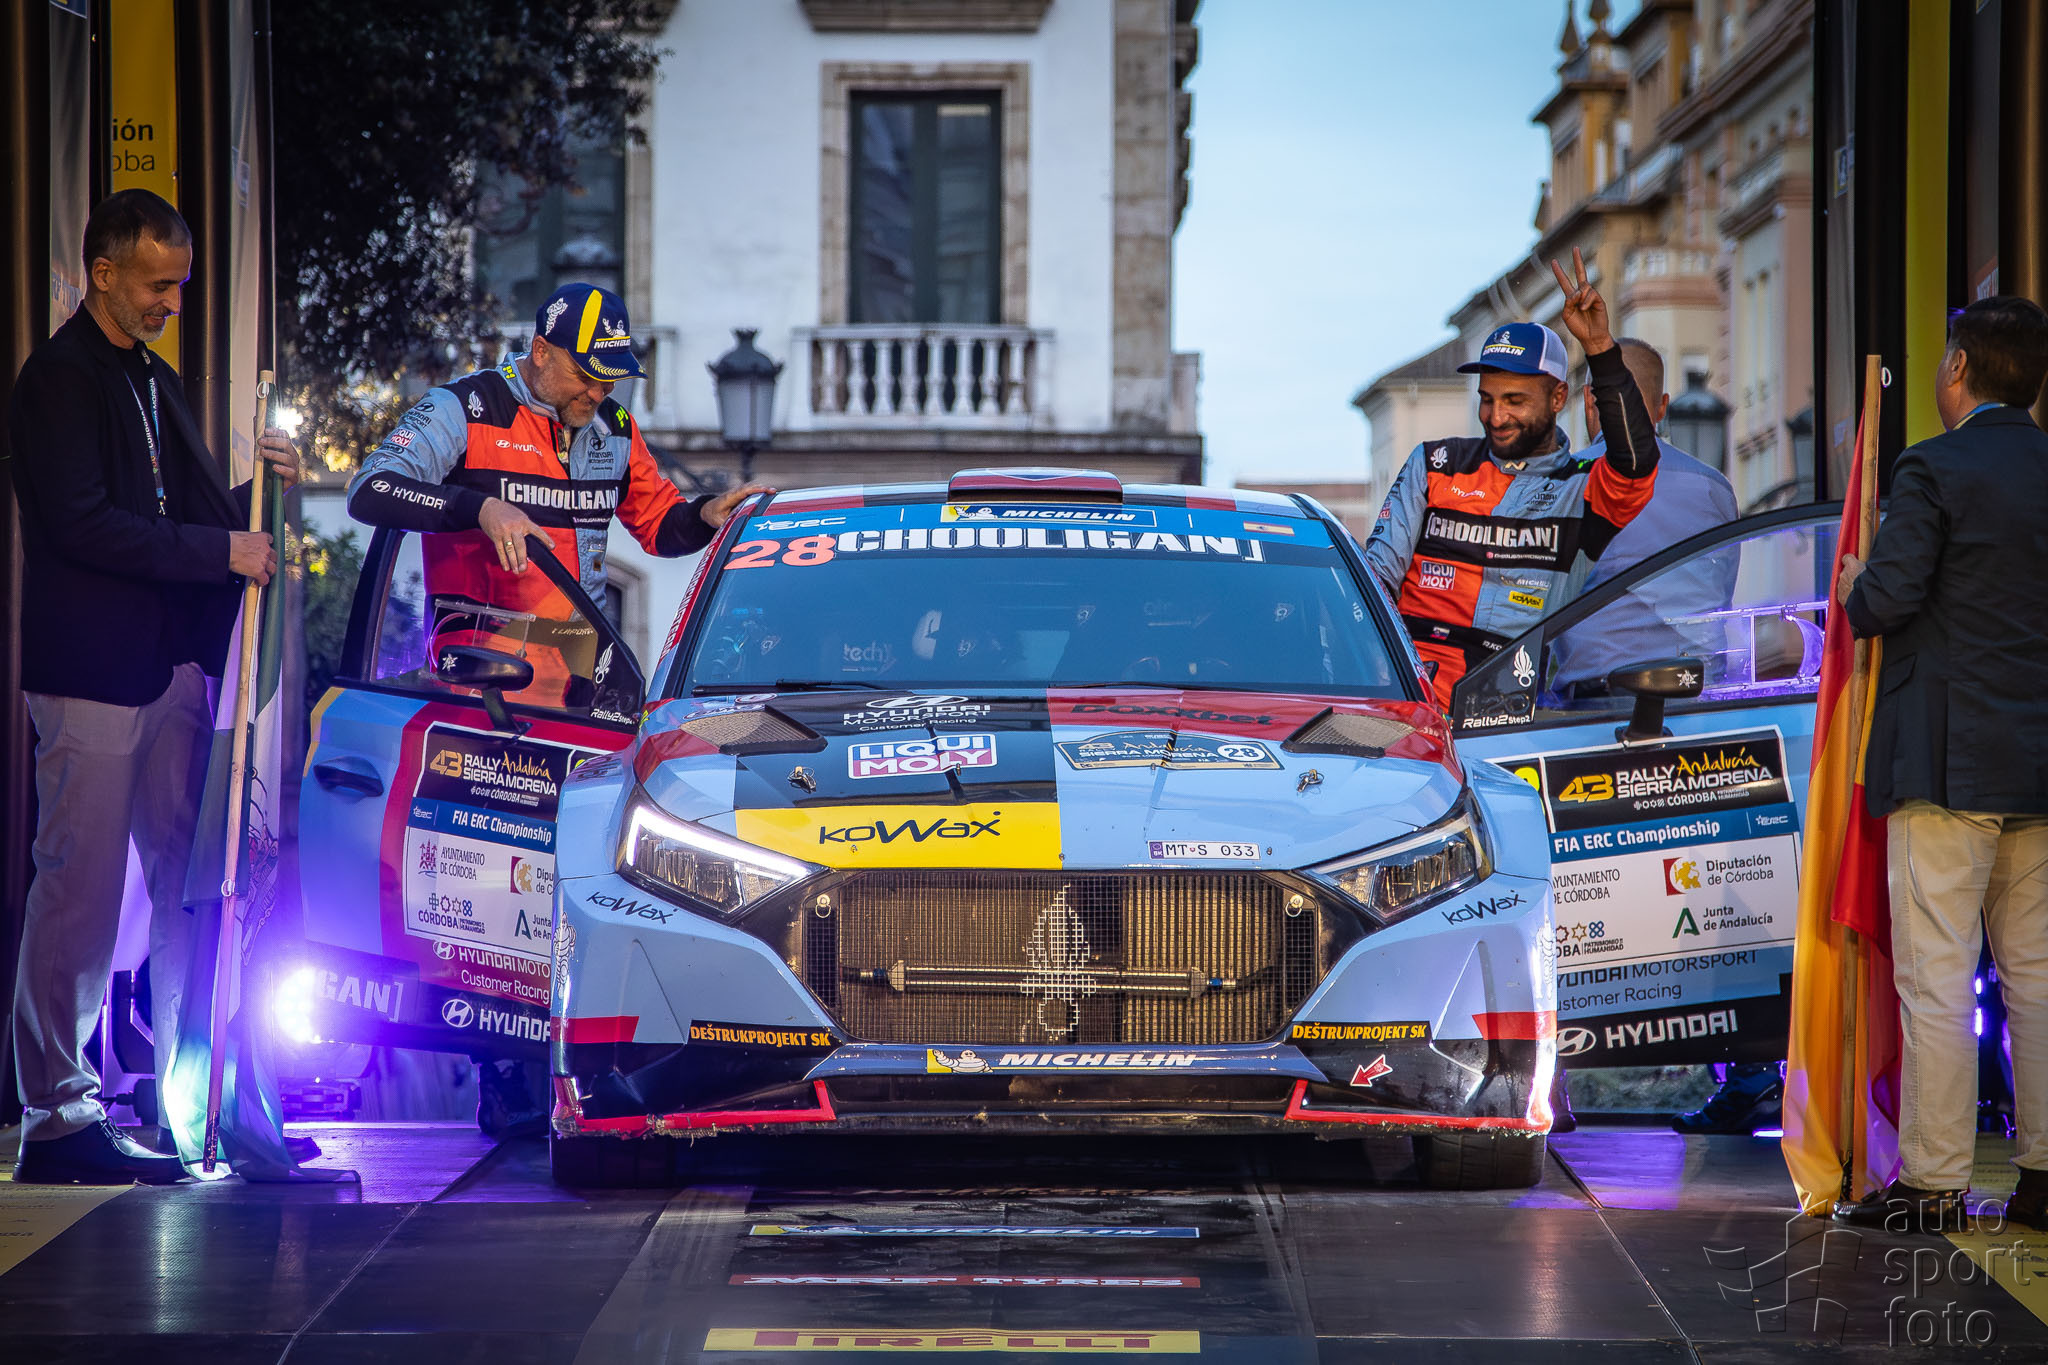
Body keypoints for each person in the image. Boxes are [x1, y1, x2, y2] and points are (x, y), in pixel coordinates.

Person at [347, 282, 762, 1134]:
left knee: (575, 885)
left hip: (587, 700)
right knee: (491, 892)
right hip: (483, 703)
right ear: (540, 352)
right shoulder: (466, 410)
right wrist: (475, 503)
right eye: (587, 375)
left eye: (612, 378)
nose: (599, 393)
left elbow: (660, 526)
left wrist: (706, 514)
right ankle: (503, 1071)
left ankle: (573, 1062)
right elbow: (371, 490)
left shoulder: (612, 429)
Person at [7, 189, 300, 1183]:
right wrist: (225, 547)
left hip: (165, 670)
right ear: (102, 274)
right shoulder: (58, 380)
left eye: (179, 284)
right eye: (156, 284)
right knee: (79, 893)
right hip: (94, 672)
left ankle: (195, 1105)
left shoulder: (145, 374)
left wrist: (265, 495)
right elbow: (84, 524)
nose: (171, 301)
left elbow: (196, 515)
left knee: (187, 886)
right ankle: (57, 1118)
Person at [1831, 295, 2048, 1234]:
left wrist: (1854, 583)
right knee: (2038, 979)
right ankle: (2043, 1177)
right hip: (2038, 768)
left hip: (1946, 762)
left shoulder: (1933, 466)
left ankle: (1933, 1181)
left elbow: (1886, 600)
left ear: (1957, 366)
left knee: (1938, 977)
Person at [1365, 250, 1661, 710]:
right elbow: (1375, 581)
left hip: (1509, 714)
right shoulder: (1435, 463)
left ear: (1559, 397)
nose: (1496, 416)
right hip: (1409, 703)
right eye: (1487, 399)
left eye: (1515, 401)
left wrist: (1600, 349)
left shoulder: (1583, 489)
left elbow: (1637, 461)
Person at [1548, 339, 1741, 696]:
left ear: (1589, 399)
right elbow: (1721, 593)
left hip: (1595, 702)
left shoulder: (1564, 482)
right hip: (1701, 695)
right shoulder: (1713, 487)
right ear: (1662, 407)